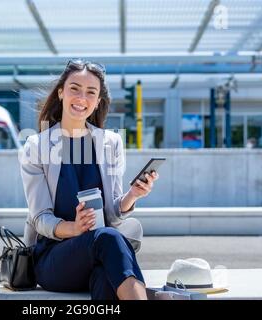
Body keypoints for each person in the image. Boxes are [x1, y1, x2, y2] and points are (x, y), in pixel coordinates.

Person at [18, 59, 159, 300]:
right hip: (55, 257)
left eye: (90, 92)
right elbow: (40, 218)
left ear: (97, 102)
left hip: (99, 252)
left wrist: (133, 195)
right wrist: (73, 228)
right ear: (61, 92)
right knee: (110, 239)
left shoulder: (110, 143)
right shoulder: (36, 145)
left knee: (107, 277)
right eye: (75, 89)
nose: (81, 98)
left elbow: (112, 215)